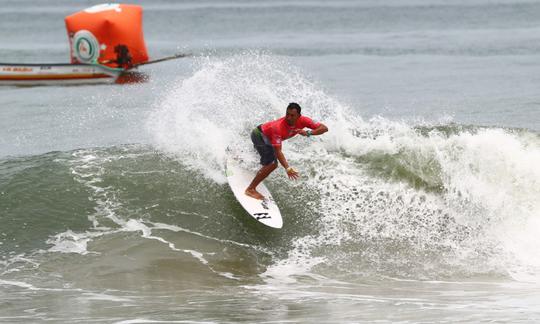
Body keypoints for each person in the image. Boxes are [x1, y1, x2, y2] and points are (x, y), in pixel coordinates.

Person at [245, 102, 328, 200]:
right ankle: (250, 189)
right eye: (287, 114)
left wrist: (308, 132)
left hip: (267, 136)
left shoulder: (304, 120)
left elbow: (324, 128)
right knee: (272, 164)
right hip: (259, 135)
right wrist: (287, 168)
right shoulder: (278, 127)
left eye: (292, 115)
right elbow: (278, 151)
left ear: (299, 116)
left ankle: (244, 158)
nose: (288, 117)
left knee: (266, 160)